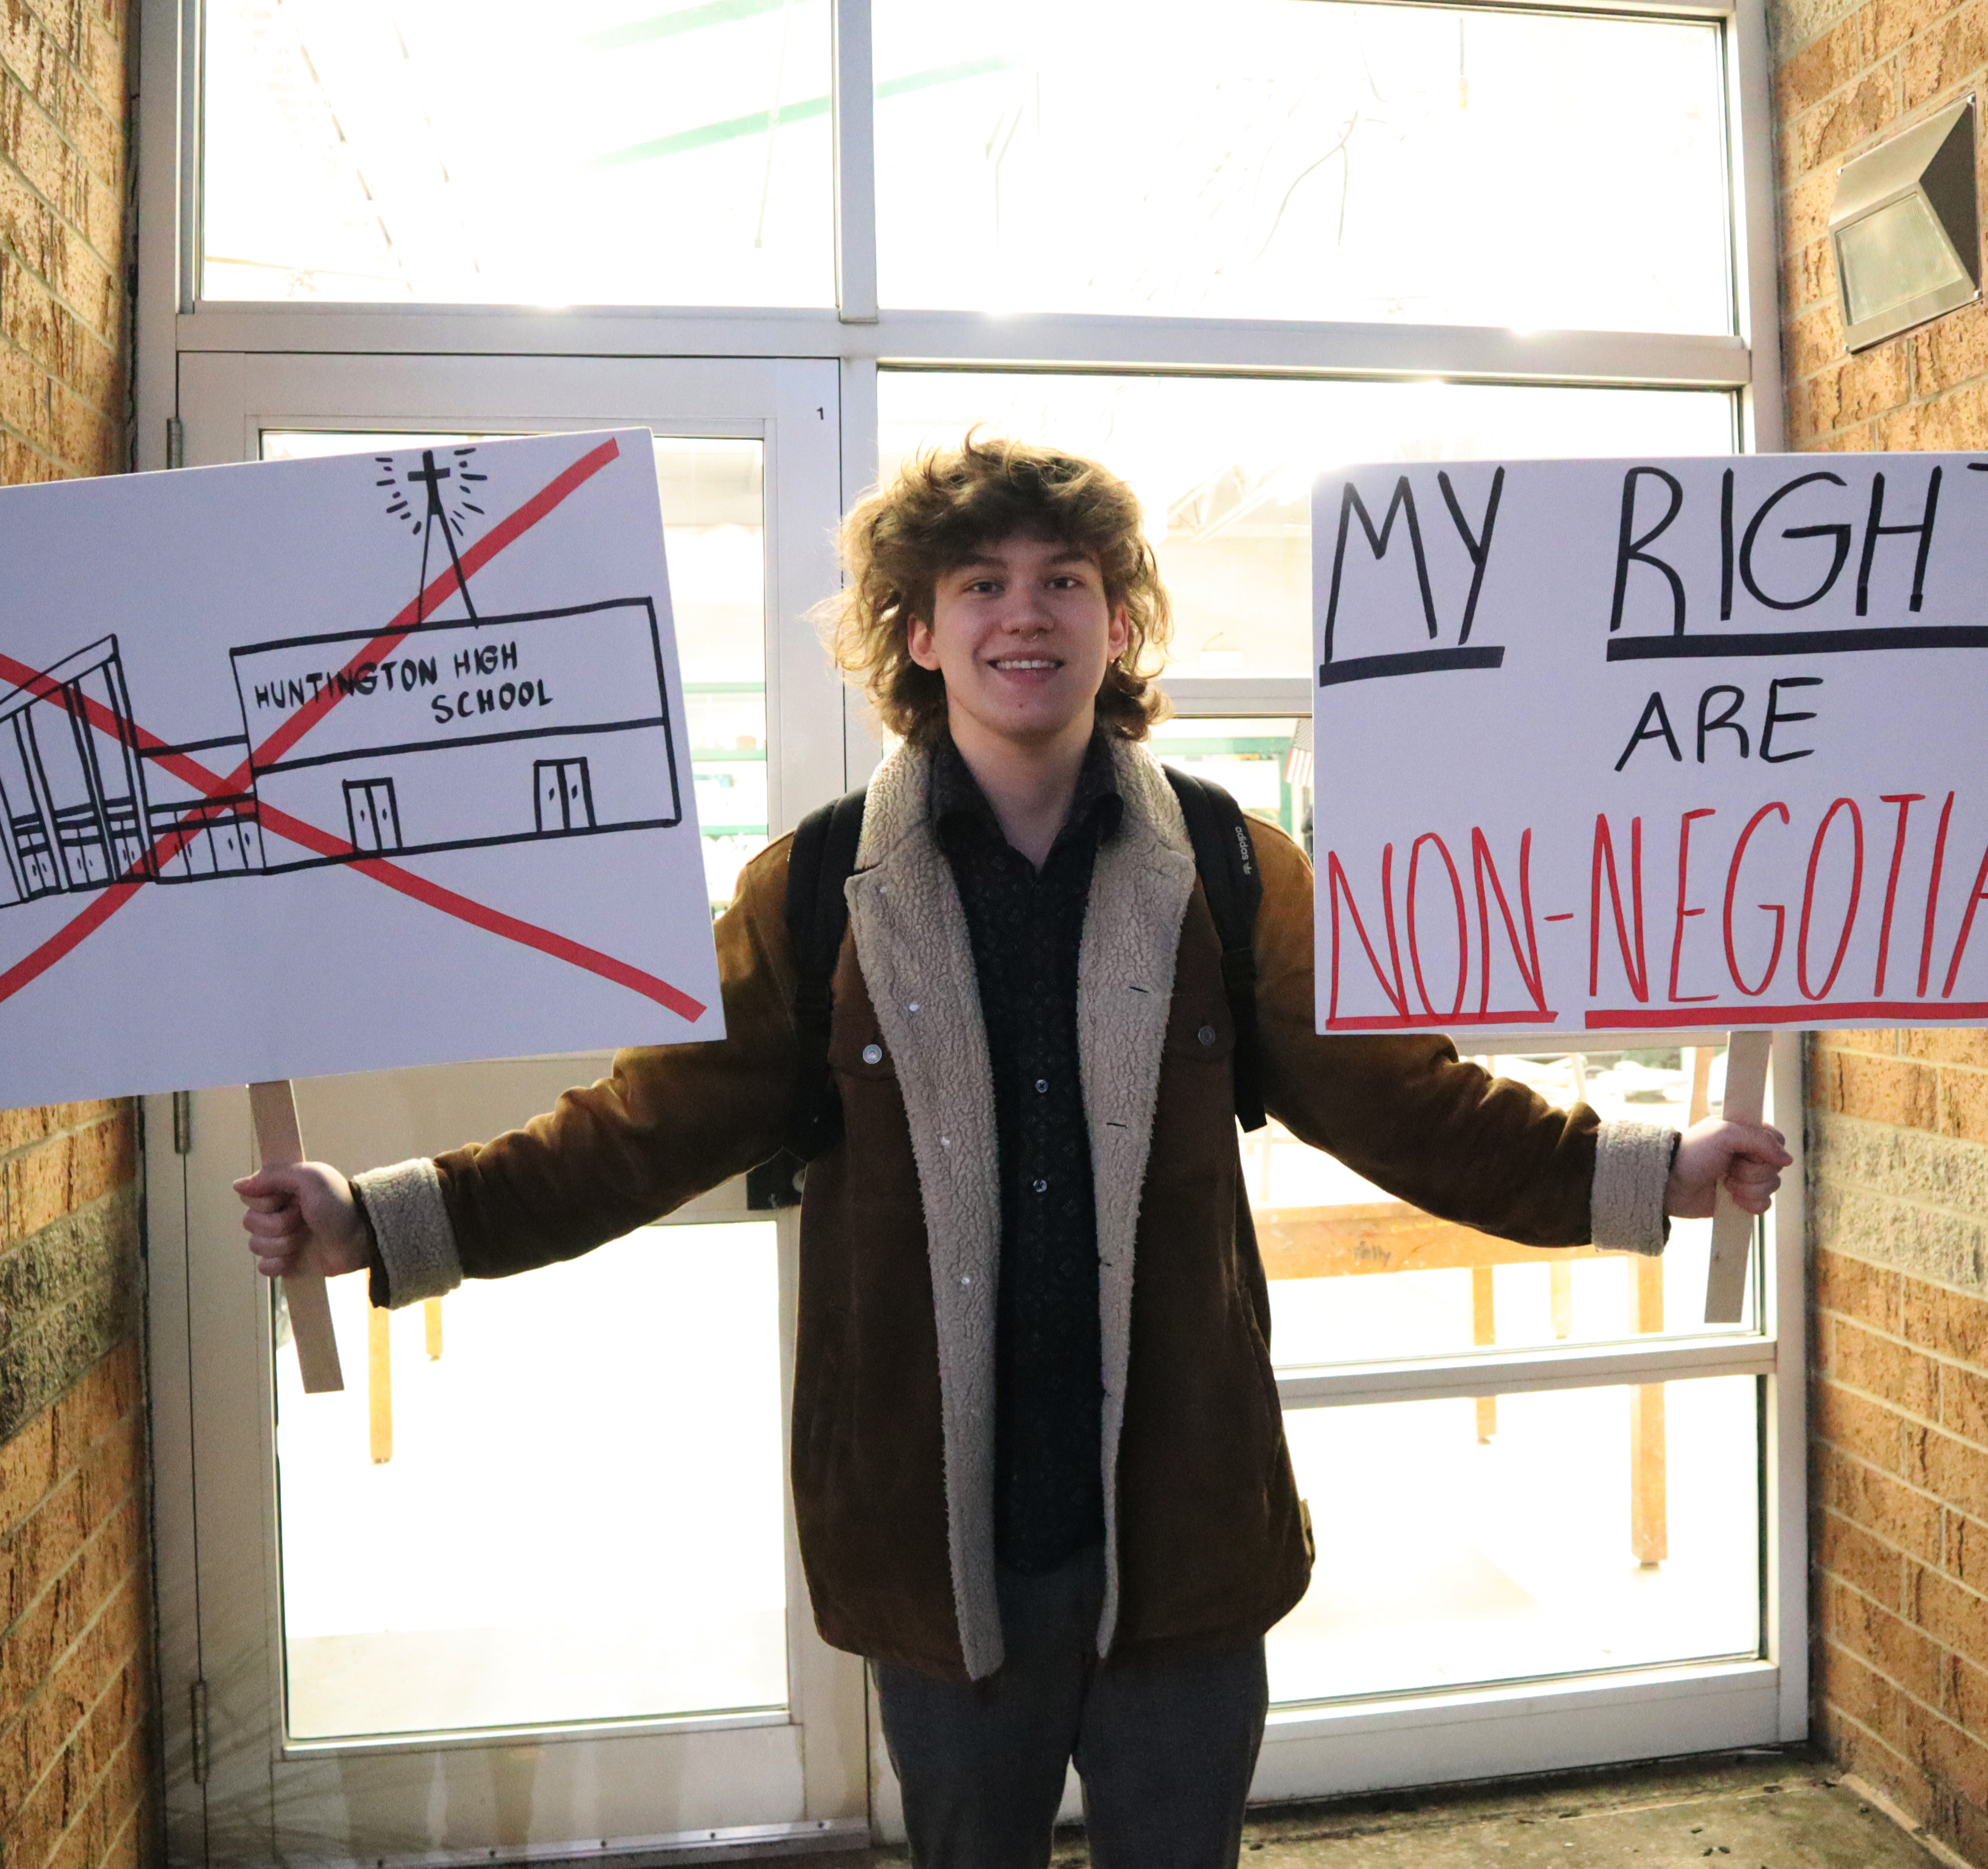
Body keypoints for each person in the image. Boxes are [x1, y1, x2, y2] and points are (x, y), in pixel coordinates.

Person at [240, 436, 1791, 1869]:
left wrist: (1658, 1168)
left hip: (1180, 1532)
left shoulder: (1235, 871)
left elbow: (1414, 1104)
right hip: (940, 1548)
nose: (1023, 615)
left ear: (1119, 625)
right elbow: (633, 1133)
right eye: (979, 583)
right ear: (915, 632)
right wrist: (376, 1222)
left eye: (1066, 580)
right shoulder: (813, 895)